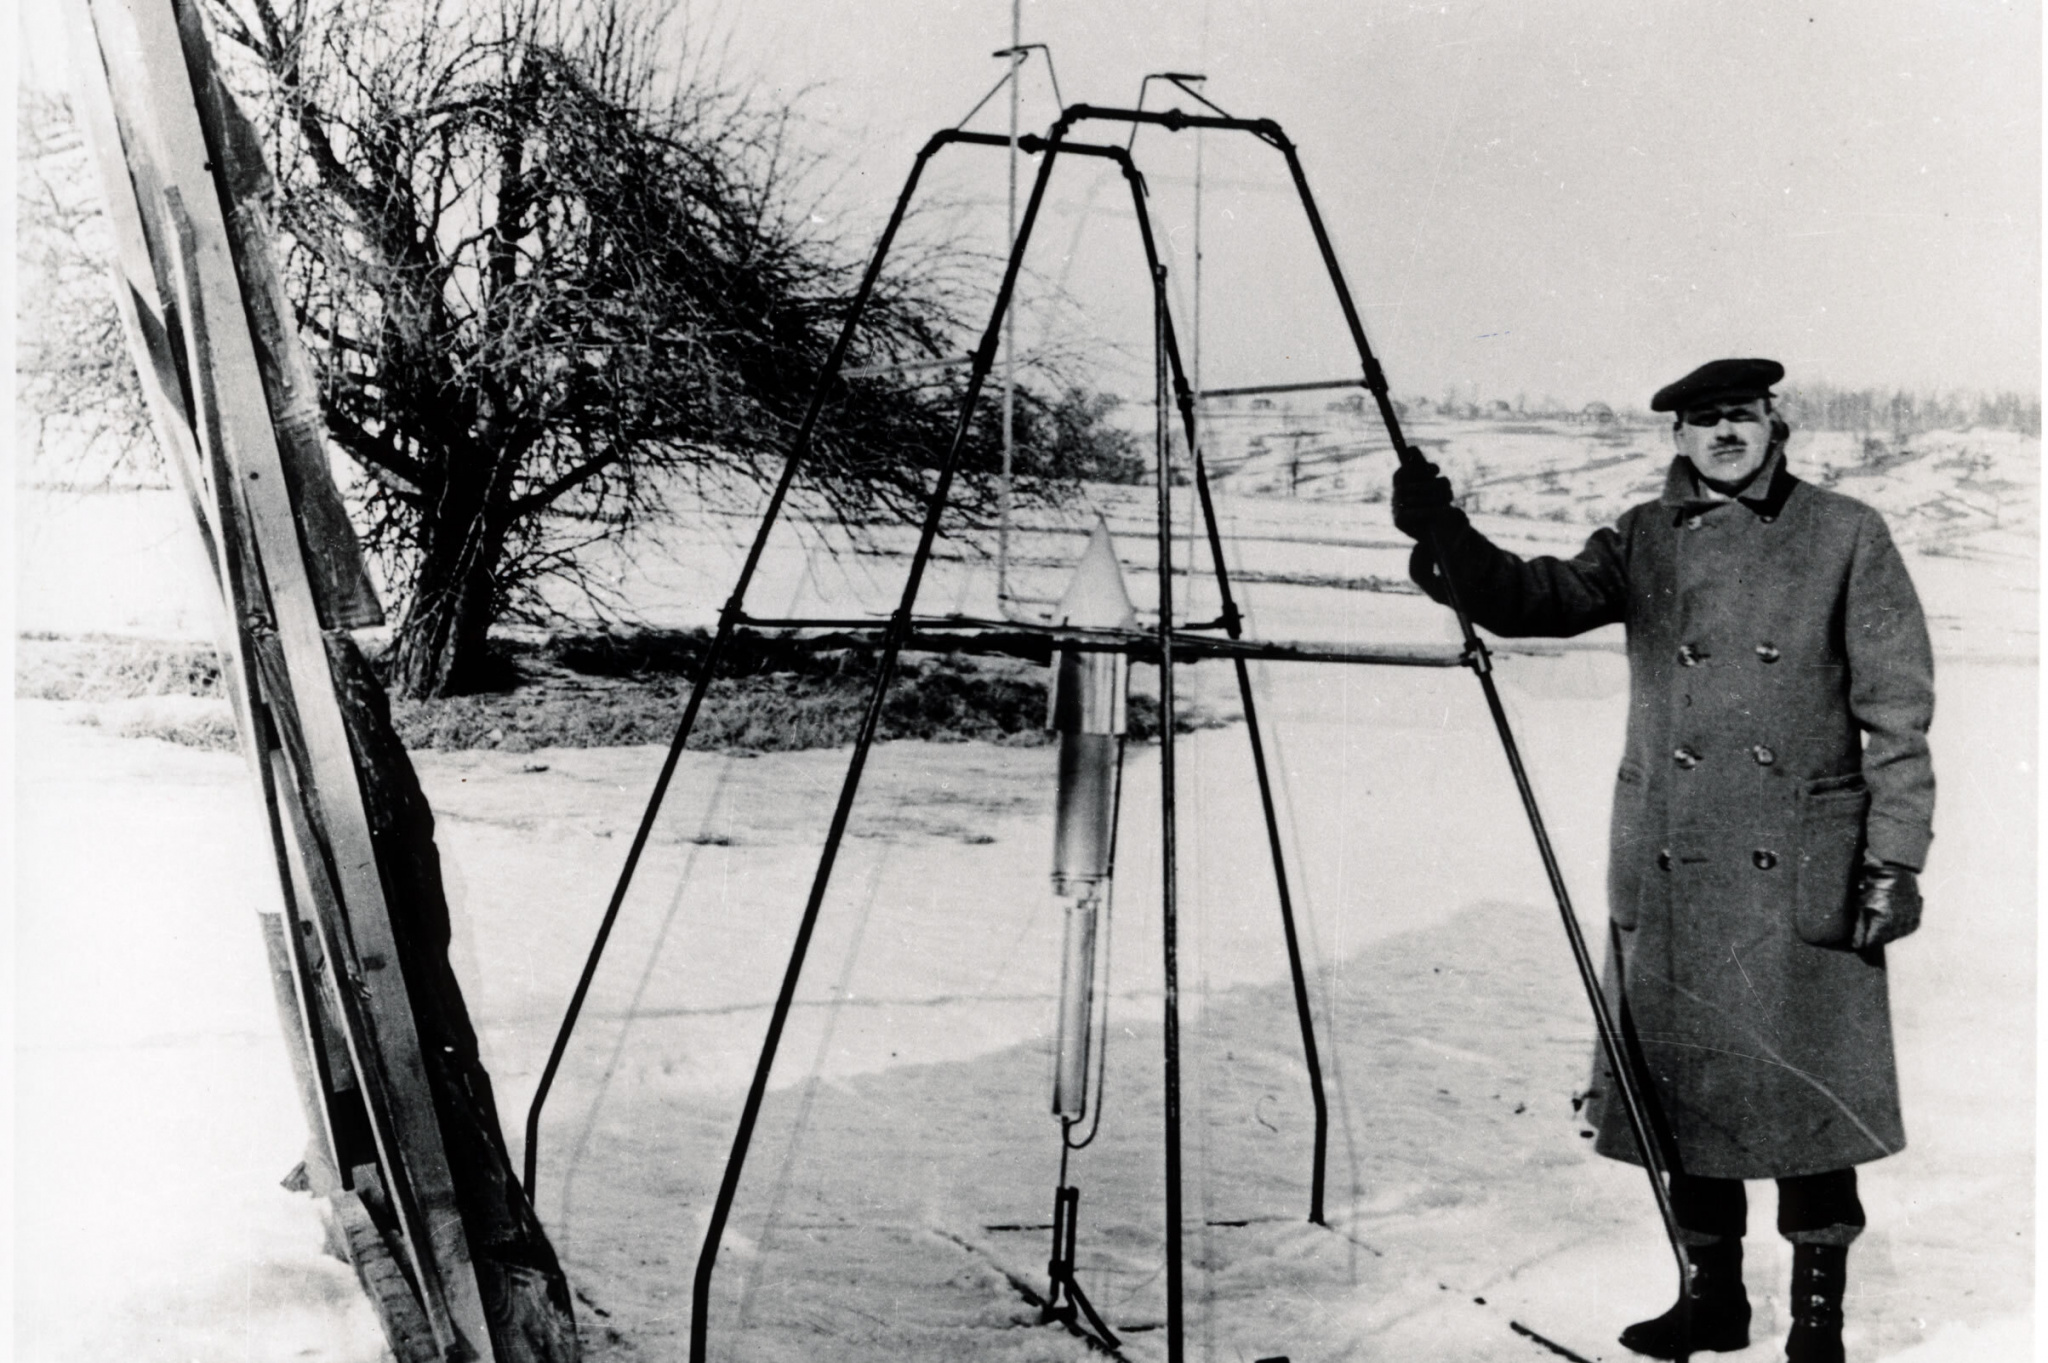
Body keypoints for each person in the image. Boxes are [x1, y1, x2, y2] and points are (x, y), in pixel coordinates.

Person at [1389, 358, 1934, 1363]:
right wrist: (1444, 534)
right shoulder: (1645, 535)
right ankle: (1711, 1301)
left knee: (1806, 1099)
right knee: (1685, 1089)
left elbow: (1896, 712)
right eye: (1703, 420)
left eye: (1740, 416)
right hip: (1673, 856)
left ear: (1774, 424)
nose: (1724, 433)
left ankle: (1817, 1327)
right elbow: (1532, 598)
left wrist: (1893, 858)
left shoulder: (1846, 532)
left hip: (1798, 862)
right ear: (1676, 438)